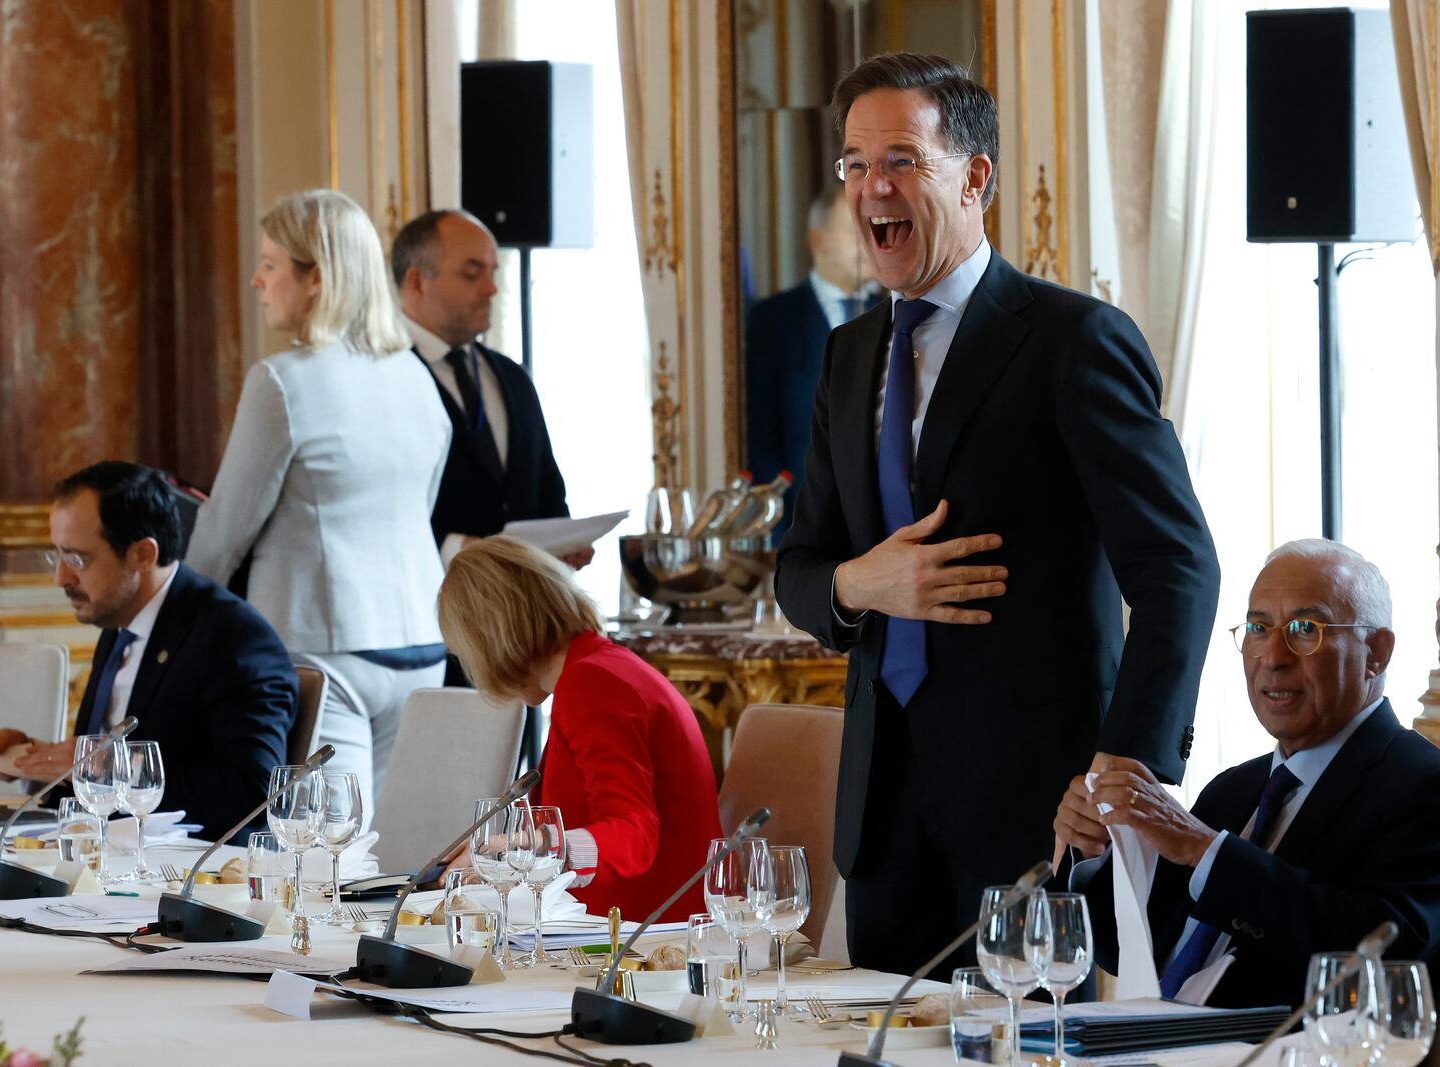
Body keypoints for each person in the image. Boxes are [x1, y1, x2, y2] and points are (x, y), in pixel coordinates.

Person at [774, 53, 1220, 975]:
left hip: (1035, 818)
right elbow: (800, 567)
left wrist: (1121, 776)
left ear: (975, 176)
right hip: (883, 818)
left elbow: (1178, 569)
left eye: (899, 159)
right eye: (853, 165)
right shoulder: (850, 354)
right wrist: (865, 582)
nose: (871, 188)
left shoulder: (1074, 342)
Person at [1055, 540, 1440, 1010]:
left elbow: (1380, 954)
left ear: (1376, 653)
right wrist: (1092, 849)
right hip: (1156, 1042)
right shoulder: (1234, 788)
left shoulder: (1429, 791)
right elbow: (1125, 950)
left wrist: (1204, 850)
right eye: (1258, 628)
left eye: (1305, 628)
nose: (1273, 656)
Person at [186, 188, 451, 827]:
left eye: (272, 264)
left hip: (327, 652)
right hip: (422, 642)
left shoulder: (282, 380)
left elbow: (224, 534)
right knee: (392, 863)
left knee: (325, 860)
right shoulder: (416, 376)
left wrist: (175, 623)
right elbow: (419, 505)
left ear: (317, 279)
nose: (257, 279)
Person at [0, 462, 297, 845]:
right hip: (103, 857)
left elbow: (253, 791)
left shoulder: (234, 638)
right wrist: (36, 763)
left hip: (186, 871)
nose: (61, 578)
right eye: (58, 556)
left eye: (77, 559)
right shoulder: (118, 619)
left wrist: (112, 768)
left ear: (142, 554)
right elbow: (98, 773)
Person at [436, 536, 721, 921]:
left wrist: (527, 847)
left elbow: (633, 836)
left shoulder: (592, 684)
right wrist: (507, 851)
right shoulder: (599, 667)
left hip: (637, 935)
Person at [389, 209, 585, 570]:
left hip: (523, 612)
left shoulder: (512, 377)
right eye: (471, 273)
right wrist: (455, 547)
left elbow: (547, 494)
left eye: (493, 272)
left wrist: (566, 542)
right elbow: (372, 509)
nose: (491, 288)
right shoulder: (379, 378)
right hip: (430, 606)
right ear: (417, 281)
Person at [746, 187, 882, 539]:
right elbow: (757, 439)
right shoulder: (771, 322)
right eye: (854, 231)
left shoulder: (899, 314)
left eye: (872, 228)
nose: (868, 242)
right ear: (818, 241)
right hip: (801, 532)